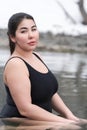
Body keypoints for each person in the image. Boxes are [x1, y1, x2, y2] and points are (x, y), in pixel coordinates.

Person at [0, 12, 86, 124]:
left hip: (39, 121)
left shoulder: (37, 57)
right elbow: (25, 109)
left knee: (82, 124)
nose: (31, 35)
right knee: (74, 128)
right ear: (12, 37)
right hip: (17, 122)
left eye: (34, 29)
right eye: (24, 31)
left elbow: (50, 93)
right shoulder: (16, 64)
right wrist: (65, 123)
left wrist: (70, 116)